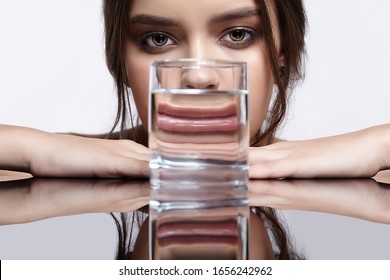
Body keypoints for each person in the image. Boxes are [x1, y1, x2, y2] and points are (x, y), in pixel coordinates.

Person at [0, 0, 388, 258]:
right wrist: (37, 151)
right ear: (121, 59)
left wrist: (377, 145)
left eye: (238, 34)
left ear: (283, 49)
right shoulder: (34, 168)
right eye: (157, 39)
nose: (199, 75)